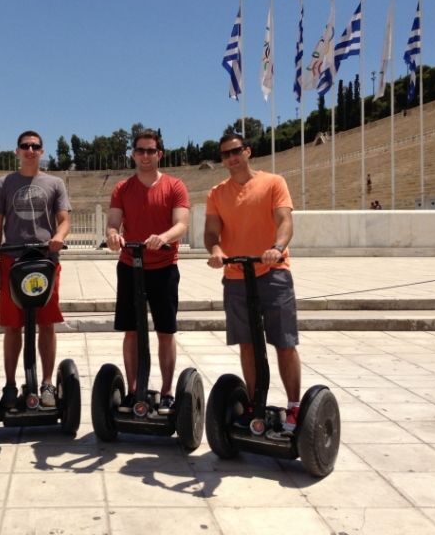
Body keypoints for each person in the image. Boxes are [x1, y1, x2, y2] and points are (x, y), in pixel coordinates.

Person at [204, 133, 302, 434]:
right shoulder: (217, 193)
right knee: (247, 344)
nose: (231, 158)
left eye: (235, 151)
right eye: (225, 154)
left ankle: (295, 407)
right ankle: (254, 403)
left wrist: (276, 247)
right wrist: (217, 251)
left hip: (273, 272)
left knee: (284, 342)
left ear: (247, 151)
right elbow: (211, 232)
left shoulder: (274, 182)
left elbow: (285, 221)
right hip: (236, 275)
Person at [105, 129, 190, 415]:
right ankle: (132, 390)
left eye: (150, 150)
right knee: (131, 332)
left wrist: (164, 237)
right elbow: (113, 222)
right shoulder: (122, 188)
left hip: (163, 266)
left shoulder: (175, 186)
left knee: (165, 331)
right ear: (133, 154)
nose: (145, 155)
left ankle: (166, 392)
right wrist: (114, 235)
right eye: (140, 150)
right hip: (130, 265)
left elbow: (181, 224)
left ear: (159, 154)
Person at [0, 130, 71, 409]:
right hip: (13, 260)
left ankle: (47, 382)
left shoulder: (55, 183)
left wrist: (59, 236)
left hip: (45, 261)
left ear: (42, 151)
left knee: (47, 323)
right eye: (25, 146)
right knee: (13, 325)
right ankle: (11, 385)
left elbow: (64, 220)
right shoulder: (4, 184)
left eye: (35, 146)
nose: (30, 150)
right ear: (17, 151)